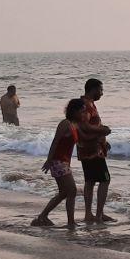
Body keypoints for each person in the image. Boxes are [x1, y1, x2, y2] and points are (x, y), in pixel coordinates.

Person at [32, 98, 82, 228]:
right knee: (71, 190)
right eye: (81, 111)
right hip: (57, 160)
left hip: (64, 161)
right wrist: (49, 160)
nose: (83, 113)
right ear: (74, 111)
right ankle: (70, 222)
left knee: (64, 192)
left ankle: (43, 216)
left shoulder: (75, 125)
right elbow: (55, 141)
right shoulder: (65, 123)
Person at [74, 78, 113, 224]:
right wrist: (102, 130)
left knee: (90, 181)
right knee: (105, 179)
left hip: (87, 148)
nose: (102, 93)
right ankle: (98, 214)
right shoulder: (87, 105)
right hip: (92, 150)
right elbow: (84, 126)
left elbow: (86, 126)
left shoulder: (85, 104)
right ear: (93, 89)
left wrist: (104, 140)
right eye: (100, 90)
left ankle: (89, 214)